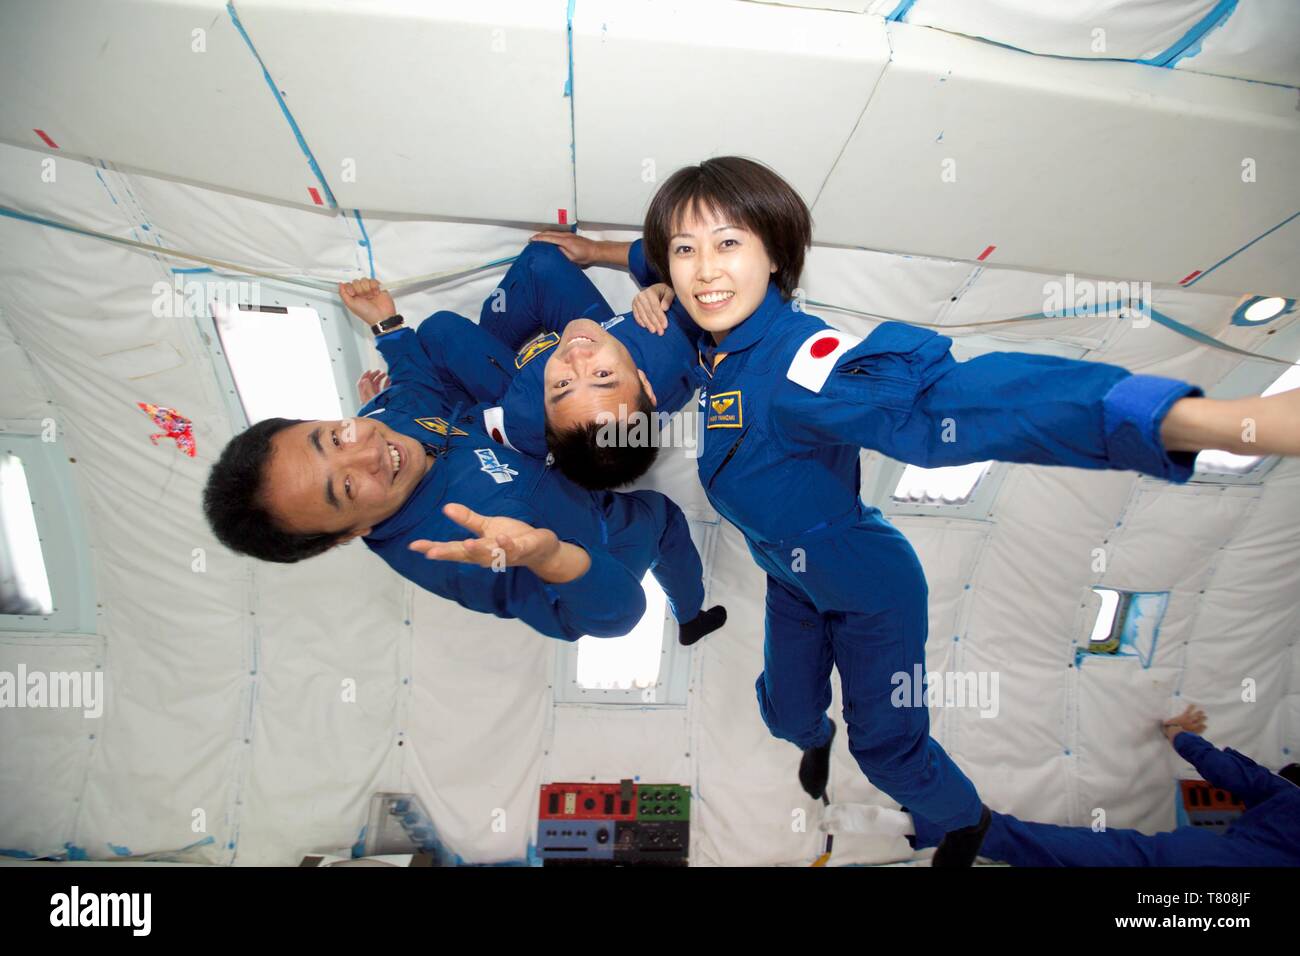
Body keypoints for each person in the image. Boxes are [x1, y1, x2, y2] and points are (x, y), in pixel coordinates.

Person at [626, 155, 1300, 865]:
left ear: (775, 254)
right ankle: (813, 740)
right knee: (787, 713)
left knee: (887, 750)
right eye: (686, 250)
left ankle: (965, 823)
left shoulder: (803, 366)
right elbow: (652, 255)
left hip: (868, 584)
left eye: (729, 244)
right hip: (791, 573)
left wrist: (1197, 422)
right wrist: (637, 279)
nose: (704, 271)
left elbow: (951, 404)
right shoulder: (711, 336)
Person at [201, 279, 727, 646]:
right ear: (346, 534)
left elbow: (411, 390)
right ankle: (691, 615)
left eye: (332, 437)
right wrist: (551, 556)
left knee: (438, 333)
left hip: (533, 453)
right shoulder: (464, 554)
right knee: (664, 520)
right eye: (344, 489)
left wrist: (388, 327)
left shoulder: (378, 420)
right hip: (594, 531)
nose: (368, 453)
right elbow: (613, 616)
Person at [907, 706, 1300, 865]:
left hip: (1194, 857)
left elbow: (1225, 770)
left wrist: (1178, 734)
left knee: (1048, 844)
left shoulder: (1288, 797)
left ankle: (930, 825)